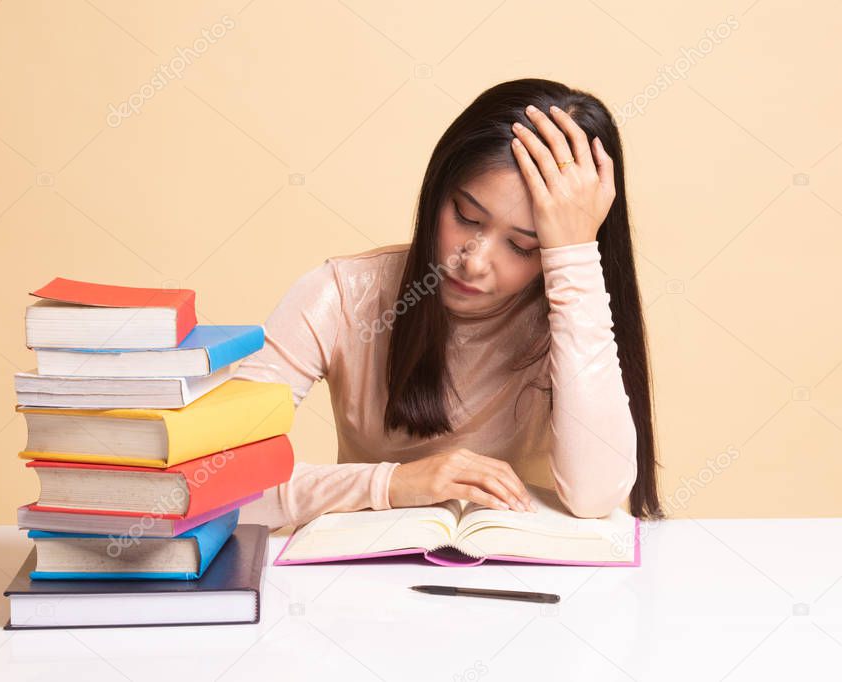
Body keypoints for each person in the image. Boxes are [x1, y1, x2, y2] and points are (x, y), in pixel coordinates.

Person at [233, 77, 661, 532]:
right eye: (467, 217)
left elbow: (597, 495)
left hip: (535, 589)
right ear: (439, 189)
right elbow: (215, 487)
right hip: (365, 591)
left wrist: (574, 260)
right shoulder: (340, 295)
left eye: (522, 246)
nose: (474, 262)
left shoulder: (571, 315)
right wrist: (392, 484)